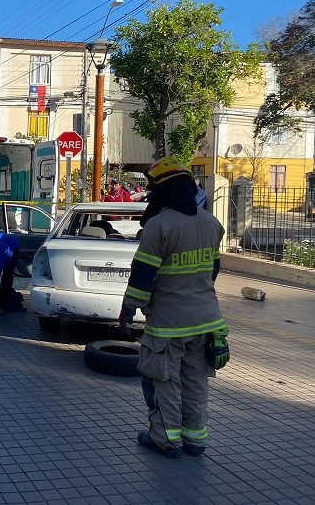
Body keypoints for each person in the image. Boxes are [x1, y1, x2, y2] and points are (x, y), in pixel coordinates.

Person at [119, 156, 228, 459]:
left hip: (168, 324)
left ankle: (166, 440)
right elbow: (213, 271)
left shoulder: (159, 226)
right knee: (196, 383)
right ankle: (195, 440)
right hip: (206, 320)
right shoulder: (211, 224)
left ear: (162, 191)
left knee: (165, 382)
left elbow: (143, 277)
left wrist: (129, 309)